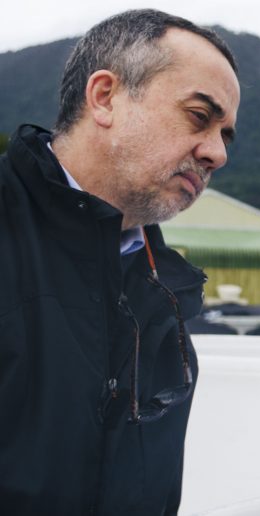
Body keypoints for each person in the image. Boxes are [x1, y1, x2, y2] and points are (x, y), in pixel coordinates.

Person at [0, 9, 239, 514]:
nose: (217, 154)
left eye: (226, 135)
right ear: (105, 97)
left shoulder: (165, 291)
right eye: (200, 116)